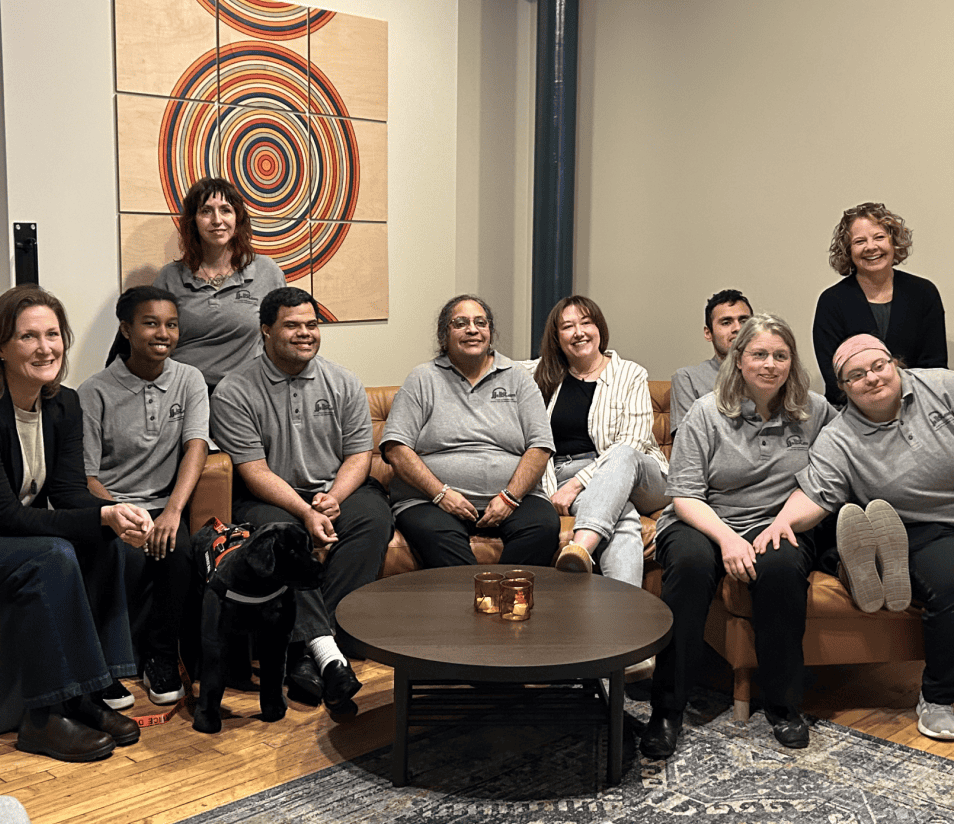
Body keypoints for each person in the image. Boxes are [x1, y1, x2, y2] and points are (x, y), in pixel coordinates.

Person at [0, 285, 153, 762]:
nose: (45, 347)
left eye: (53, 334)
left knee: (104, 540)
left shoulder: (63, 404)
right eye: (28, 336)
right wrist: (99, 519)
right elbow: (1, 516)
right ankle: (44, 718)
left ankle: (91, 695)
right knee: (52, 556)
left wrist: (112, 513)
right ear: (0, 347)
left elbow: (70, 494)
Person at [640, 314, 836, 760]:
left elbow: (826, 482)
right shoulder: (707, 412)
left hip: (780, 520)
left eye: (780, 355)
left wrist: (780, 525)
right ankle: (666, 711)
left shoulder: (816, 410)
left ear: (792, 361)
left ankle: (784, 707)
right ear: (739, 359)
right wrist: (728, 540)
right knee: (690, 567)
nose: (770, 364)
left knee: (783, 569)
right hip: (705, 519)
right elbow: (685, 494)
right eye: (759, 354)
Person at [756, 333, 954, 740]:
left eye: (879, 366)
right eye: (857, 375)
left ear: (894, 363)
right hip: (913, 527)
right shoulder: (839, 435)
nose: (873, 379)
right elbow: (816, 492)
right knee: (950, 584)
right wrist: (782, 523)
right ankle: (939, 699)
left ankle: (860, 567)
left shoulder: (941, 385)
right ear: (844, 388)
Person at [210, 286, 392, 717]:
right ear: (265, 331)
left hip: (337, 490)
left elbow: (357, 456)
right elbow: (254, 471)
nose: (305, 333)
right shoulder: (235, 391)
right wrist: (306, 511)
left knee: (373, 519)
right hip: (269, 496)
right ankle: (328, 654)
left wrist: (332, 498)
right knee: (284, 538)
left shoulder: (343, 381)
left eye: (312, 325)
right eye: (292, 325)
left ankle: (308, 651)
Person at [78, 286, 210, 707]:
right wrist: (118, 513)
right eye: (151, 323)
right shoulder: (94, 391)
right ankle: (107, 667)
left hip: (163, 503)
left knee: (181, 551)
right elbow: (87, 476)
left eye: (171, 324)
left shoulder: (189, 380)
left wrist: (173, 511)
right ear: (127, 329)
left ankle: (162, 657)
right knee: (121, 557)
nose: (163, 333)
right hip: (111, 505)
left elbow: (196, 447)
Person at [381, 295, 560, 569]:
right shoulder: (422, 378)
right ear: (444, 335)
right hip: (430, 501)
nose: (472, 330)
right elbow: (396, 448)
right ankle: (475, 603)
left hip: (515, 498)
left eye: (480, 322)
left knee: (543, 527)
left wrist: (510, 497)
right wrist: (441, 494)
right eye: (460, 323)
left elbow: (541, 446)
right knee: (438, 535)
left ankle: (501, 600)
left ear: (490, 331)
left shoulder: (517, 377)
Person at [521, 295, 668, 582]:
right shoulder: (539, 374)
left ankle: (580, 548)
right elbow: (491, 366)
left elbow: (632, 442)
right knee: (622, 517)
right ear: (557, 337)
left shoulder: (631, 374)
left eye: (586, 323)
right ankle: (626, 618)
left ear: (599, 327)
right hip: (566, 476)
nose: (578, 332)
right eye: (567, 327)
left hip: (642, 475)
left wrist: (576, 485)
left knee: (622, 453)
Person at [152, 176, 287, 391]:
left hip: (246, 392)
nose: (217, 220)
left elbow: (282, 335)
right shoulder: (169, 277)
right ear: (193, 221)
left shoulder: (266, 271)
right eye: (206, 211)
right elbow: (155, 343)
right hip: (183, 393)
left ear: (238, 218)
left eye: (226, 210)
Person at [813, 202, 947, 406]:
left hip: (918, 407)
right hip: (853, 413)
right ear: (848, 251)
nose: (871, 247)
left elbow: (934, 367)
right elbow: (835, 377)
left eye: (879, 237)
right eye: (859, 241)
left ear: (894, 242)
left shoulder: (923, 293)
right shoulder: (831, 302)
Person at [670, 289, 753, 436]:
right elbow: (686, 442)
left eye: (744, 321)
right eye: (726, 322)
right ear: (708, 333)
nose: (738, 328)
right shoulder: (688, 378)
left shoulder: (770, 372)